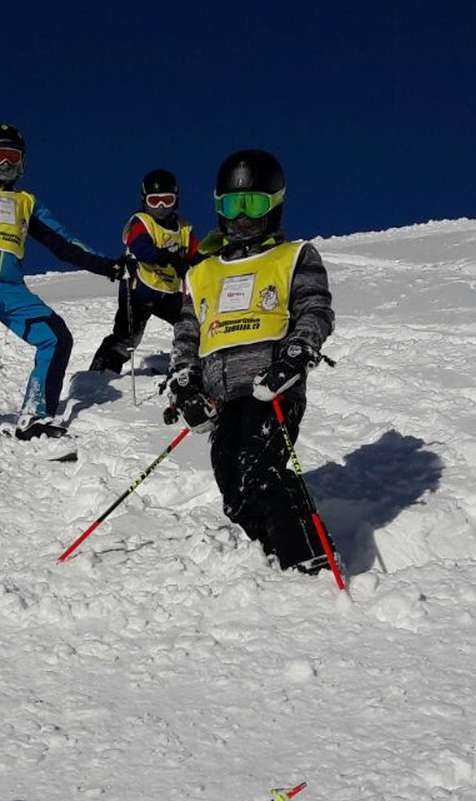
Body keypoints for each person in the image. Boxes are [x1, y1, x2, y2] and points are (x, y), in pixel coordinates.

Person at [164, 149, 336, 573]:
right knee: (232, 485)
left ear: (275, 205)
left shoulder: (293, 256)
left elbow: (315, 309)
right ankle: (277, 552)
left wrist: (296, 354)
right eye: (232, 205)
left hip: (271, 388)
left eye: (254, 204)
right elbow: (187, 333)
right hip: (223, 396)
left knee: (259, 470)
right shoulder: (202, 272)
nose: (242, 217)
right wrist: (185, 382)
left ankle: (308, 557)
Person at [0, 123, 125, 440]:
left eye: (13, 156)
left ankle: (36, 414)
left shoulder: (27, 203)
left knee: (56, 338)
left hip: (13, 288)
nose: (6, 164)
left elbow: (64, 243)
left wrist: (107, 265)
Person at [89, 169, 200, 376]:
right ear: (145, 201)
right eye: (154, 201)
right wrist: (170, 258)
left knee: (190, 322)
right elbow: (141, 248)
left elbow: (196, 254)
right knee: (127, 335)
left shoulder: (184, 229)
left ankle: (188, 361)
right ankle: (101, 371)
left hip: (167, 292)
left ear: (176, 200)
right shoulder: (142, 222)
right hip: (139, 289)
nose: (161, 207)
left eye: (167, 200)